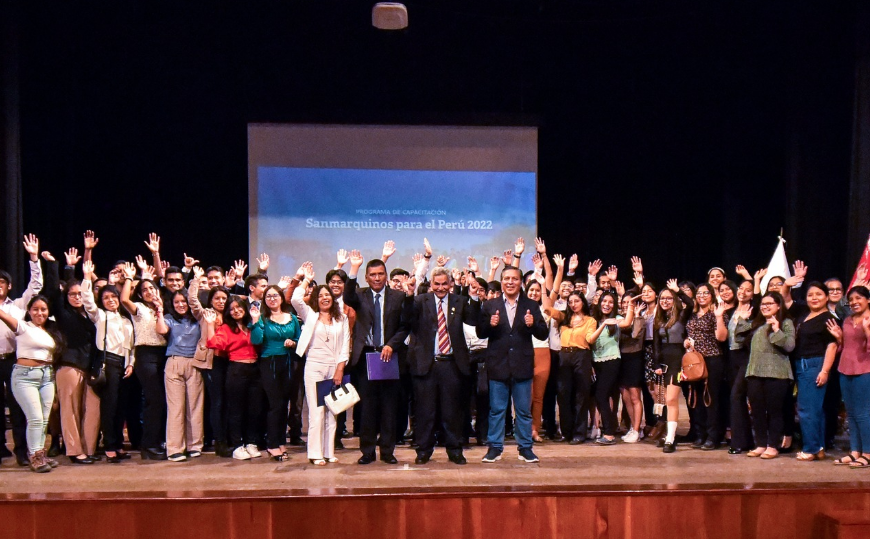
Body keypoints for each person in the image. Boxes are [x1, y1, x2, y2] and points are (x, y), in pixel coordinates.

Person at [404, 266, 479, 465]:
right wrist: (409, 295)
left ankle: (454, 450)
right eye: (436, 284)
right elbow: (407, 320)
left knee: (452, 412)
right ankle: (423, 451)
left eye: (444, 283)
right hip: (426, 365)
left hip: (452, 365)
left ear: (450, 284)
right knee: (425, 412)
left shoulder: (460, 301)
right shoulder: (420, 301)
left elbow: (473, 320)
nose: (440, 287)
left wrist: (474, 296)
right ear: (430, 285)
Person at [477, 260, 549, 464]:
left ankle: (525, 448)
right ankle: (495, 448)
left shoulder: (531, 305)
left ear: (521, 283)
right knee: (497, 410)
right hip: (498, 365)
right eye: (507, 279)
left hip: (522, 365)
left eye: (514, 279)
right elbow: (480, 331)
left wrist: (533, 324)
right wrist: (489, 325)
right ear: (501, 282)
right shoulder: (490, 305)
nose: (510, 282)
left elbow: (543, 334)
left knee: (524, 410)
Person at [343, 251, 409, 465]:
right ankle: (367, 451)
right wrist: (353, 268)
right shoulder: (359, 295)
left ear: (386, 276)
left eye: (381, 274)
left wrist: (391, 344)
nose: (377, 278)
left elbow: (404, 327)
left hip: (389, 356)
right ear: (366, 277)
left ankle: (388, 451)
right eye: (373, 274)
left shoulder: (398, 297)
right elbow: (347, 297)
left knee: (389, 407)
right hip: (365, 357)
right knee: (368, 408)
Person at [42, 248, 100, 464]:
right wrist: (62, 267)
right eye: (72, 294)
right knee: (70, 411)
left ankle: (88, 447)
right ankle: (75, 451)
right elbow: (53, 293)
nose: (77, 297)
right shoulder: (64, 314)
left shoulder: (91, 314)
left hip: (89, 368)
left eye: (80, 294)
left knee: (90, 411)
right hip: (69, 366)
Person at [292, 263, 350, 465]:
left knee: (332, 411)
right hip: (314, 366)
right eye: (320, 295)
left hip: (334, 367)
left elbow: (344, 345)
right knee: (316, 411)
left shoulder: (341, 318)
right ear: (316, 299)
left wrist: (340, 369)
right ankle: (315, 453)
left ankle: (329, 451)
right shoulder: (311, 316)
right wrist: (305, 279)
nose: (325, 297)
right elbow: (295, 299)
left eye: (328, 295)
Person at [0, 294, 60, 473]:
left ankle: (40, 453)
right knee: (35, 418)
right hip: (25, 377)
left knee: (43, 420)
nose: (39, 312)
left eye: (43, 309)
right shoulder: (23, 326)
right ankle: (34, 456)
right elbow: (3, 314)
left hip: (47, 377)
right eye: (35, 309)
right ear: (29, 311)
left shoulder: (50, 331)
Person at [84, 261, 135, 463]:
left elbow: (131, 345)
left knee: (121, 406)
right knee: (110, 406)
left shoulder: (125, 319)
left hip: (125, 364)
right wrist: (88, 277)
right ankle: (110, 445)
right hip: (109, 361)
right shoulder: (100, 316)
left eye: (113, 296)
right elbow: (88, 301)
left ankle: (119, 444)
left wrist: (131, 363)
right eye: (106, 298)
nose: (111, 300)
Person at [0, 234, 42, 466]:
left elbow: (35, 286)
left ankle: (22, 452)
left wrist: (34, 258)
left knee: (18, 409)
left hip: (13, 361)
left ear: (9, 286)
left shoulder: (17, 306)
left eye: (2, 282)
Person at [204, 298, 262, 460]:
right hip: (237, 370)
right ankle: (237, 445)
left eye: (238, 307)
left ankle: (251, 442)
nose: (236, 310)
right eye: (232, 309)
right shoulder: (226, 328)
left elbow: (260, 341)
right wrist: (210, 325)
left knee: (254, 409)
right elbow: (214, 343)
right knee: (236, 410)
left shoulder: (251, 325)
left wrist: (256, 321)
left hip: (255, 369)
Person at [120, 268, 168, 460]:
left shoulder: (162, 307)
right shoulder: (139, 308)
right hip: (146, 354)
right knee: (153, 401)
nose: (149, 292)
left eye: (152, 288)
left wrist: (160, 309)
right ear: (140, 294)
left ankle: (157, 442)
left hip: (162, 354)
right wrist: (130, 278)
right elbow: (124, 300)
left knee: (161, 402)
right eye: (145, 290)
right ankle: (148, 446)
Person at [250, 284, 301, 461]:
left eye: (275, 295)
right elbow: (256, 340)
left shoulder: (292, 318)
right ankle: (272, 444)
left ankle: (281, 442)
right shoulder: (262, 318)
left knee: (285, 404)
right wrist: (256, 322)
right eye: (268, 296)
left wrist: (293, 343)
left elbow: (299, 338)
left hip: (287, 362)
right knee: (275, 405)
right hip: (269, 362)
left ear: (281, 297)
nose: (272, 299)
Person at [790, 282, 838, 461]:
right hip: (801, 364)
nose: (814, 298)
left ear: (826, 297)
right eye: (810, 295)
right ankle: (818, 448)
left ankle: (810, 449)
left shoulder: (828, 318)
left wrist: (824, 371)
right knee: (815, 410)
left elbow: (832, 346)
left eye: (818, 294)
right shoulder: (805, 315)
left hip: (814, 365)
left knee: (807, 409)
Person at [745, 292, 796, 460]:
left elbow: (789, 346)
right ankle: (760, 444)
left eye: (770, 303)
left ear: (778, 305)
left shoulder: (786, 322)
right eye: (763, 303)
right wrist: (743, 320)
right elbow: (738, 340)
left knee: (775, 411)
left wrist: (776, 329)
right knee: (757, 411)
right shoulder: (757, 324)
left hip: (777, 374)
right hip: (754, 372)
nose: (765, 306)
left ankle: (773, 445)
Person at [155, 287, 204, 462]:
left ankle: (194, 445)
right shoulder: (169, 319)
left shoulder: (197, 319)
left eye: (183, 301)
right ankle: (175, 448)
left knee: (194, 406)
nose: (180, 305)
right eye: (177, 302)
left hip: (195, 363)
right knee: (176, 408)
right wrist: (160, 312)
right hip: (174, 362)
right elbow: (161, 330)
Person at [188, 274, 232, 457]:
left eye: (224, 298)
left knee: (227, 403)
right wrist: (195, 280)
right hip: (210, 361)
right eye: (217, 298)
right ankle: (219, 442)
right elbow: (192, 300)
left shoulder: (231, 315)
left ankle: (228, 439)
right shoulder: (205, 314)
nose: (221, 301)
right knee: (217, 403)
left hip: (229, 361)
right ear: (211, 300)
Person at [828, 285, 870, 468]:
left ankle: (867, 453)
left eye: (858, 298)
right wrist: (838, 338)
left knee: (863, 414)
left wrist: (867, 330)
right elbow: (845, 347)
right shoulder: (846, 321)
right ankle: (855, 451)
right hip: (845, 369)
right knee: (851, 414)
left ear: (868, 299)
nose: (854, 302)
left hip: (865, 370)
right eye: (851, 299)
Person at [586, 290, 635, 445]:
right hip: (596, 362)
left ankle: (609, 433)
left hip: (611, 361)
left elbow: (627, 323)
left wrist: (631, 307)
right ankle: (606, 428)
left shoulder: (616, 319)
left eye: (610, 302)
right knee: (598, 396)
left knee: (602, 395)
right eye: (604, 301)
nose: (606, 304)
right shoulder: (593, 320)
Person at [685, 282, 729, 450]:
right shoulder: (693, 314)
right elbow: (690, 333)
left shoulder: (717, 313)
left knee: (710, 399)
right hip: (694, 360)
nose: (701, 296)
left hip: (712, 360)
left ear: (712, 295)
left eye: (705, 293)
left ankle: (713, 436)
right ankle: (700, 434)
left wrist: (719, 316)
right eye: (699, 293)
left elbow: (722, 337)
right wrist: (686, 341)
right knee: (696, 399)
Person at [653, 279, 694, 453]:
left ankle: (670, 438)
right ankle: (669, 436)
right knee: (664, 401)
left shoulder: (682, 316)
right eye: (662, 298)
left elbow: (691, 304)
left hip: (678, 361)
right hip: (664, 363)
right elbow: (656, 345)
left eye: (669, 298)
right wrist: (656, 364)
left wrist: (678, 291)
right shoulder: (659, 319)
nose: (665, 301)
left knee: (671, 399)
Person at [555, 291, 597, 445]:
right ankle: (566, 431)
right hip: (564, 355)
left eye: (576, 301)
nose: (573, 304)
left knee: (581, 395)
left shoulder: (590, 320)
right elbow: (548, 308)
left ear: (583, 302)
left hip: (581, 355)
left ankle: (580, 433)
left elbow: (589, 338)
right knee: (563, 394)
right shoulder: (564, 318)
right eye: (570, 301)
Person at [725, 279, 757, 454]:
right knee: (737, 399)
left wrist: (756, 280)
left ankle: (738, 442)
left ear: (753, 294)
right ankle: (746, 440)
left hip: (746, 356)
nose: (743, 292)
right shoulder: (731, 310)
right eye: (741, 288)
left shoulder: (754, 311)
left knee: (736, 396)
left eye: (748, 290)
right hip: (731, 357)